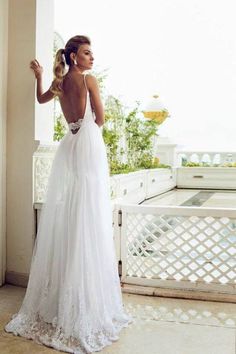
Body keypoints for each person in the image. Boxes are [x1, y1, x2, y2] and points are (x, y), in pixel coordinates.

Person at [4, 35, 132, 353]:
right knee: (90, 212)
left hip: (70, 145)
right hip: (87, 143)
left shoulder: (60, 82)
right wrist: (92, 116)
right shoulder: (89, 80)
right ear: (74, 56)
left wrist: (39, 77)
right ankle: (85, 298)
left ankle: (67, 292)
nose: (92, 58)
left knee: (75, 210)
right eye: (87, 53)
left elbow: (41, 100)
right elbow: (100, 119)